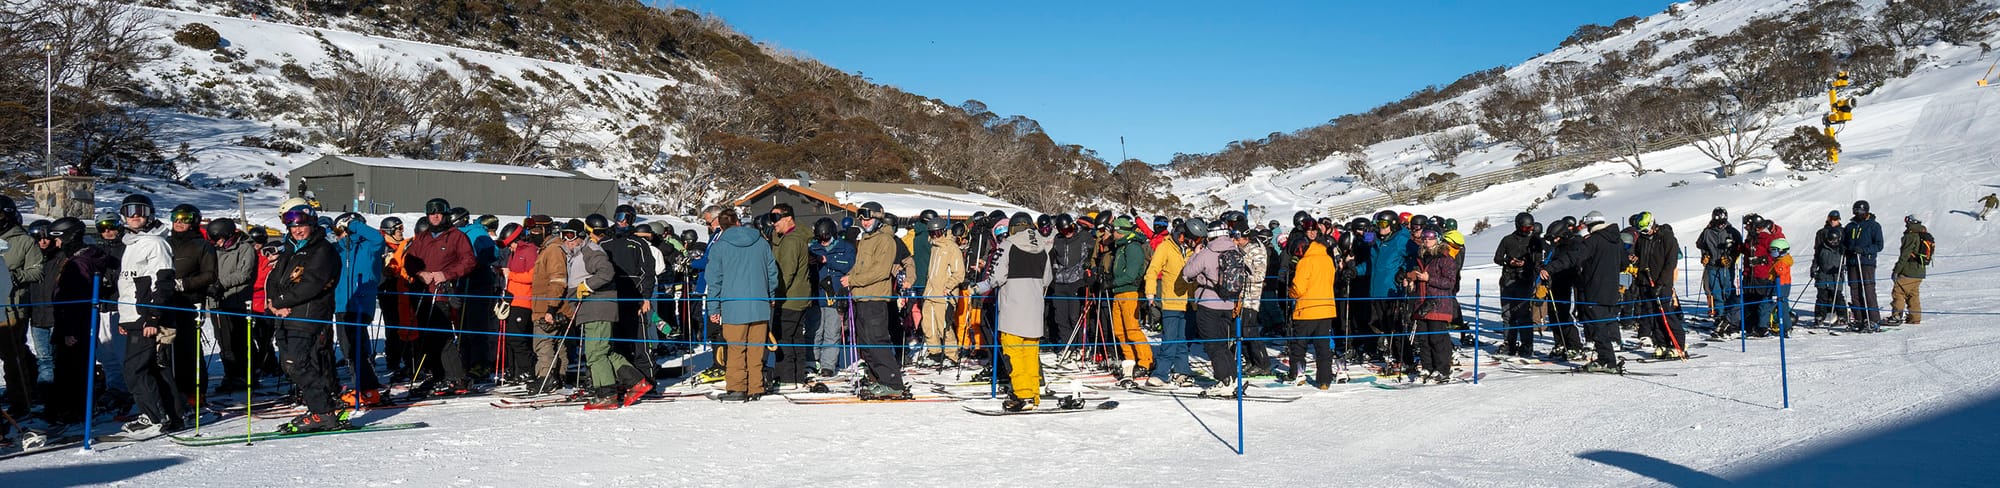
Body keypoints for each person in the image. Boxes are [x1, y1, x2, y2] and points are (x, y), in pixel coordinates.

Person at [266, 207, 347, 433]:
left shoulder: (322, 250)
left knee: (297, 363)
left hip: (309, 314)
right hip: (285, 316)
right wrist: (274, 302)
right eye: (292, 227)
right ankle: (322, 408)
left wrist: (281, 301)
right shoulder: (290, 249)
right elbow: (273, 279)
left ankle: (324, 412)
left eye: (301, 226)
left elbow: (312, 284)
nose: (297, 230)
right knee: (290, 365)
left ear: (312, 225)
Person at [554, 220, 649, 410]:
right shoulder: (578, 253)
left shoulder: (590, 250)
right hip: (590, 308)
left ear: (581, 235)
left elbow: (606, 271)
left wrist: (587, 285)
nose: (566, 240)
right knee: (605, 351)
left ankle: (606, 394)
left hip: (596, 307)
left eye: (570, 235)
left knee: (595, 353)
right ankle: (636, 382)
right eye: (563, 235)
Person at [112, 194, 186, 436]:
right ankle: (174, 416)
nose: (135, 215)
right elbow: (129, 285)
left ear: (150, 214)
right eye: (130, 210)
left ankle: (153, 417)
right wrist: (125, 318)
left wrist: (153, 317)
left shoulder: (155, 243)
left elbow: (163, 282)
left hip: (148, 317)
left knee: (135, 369)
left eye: (141, 211)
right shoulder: (131, 244)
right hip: (135, 316)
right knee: (156, 368)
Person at [30, 218, 111, 423]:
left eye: (58, 239)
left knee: (72, 369)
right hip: (72, 322)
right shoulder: (77, 258)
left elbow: (76, 299)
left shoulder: (79, 262)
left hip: (75, 325)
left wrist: (70, 330)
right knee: (68, 368)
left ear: (68, 237)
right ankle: (65, 408)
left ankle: (74, 411)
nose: (56, 244)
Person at [973, 212, 1053, 411]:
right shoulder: (1042, 248)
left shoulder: (1007, 245)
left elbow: (996, 278)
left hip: (1013, 309)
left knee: (1014, 353)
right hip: (1035, 309)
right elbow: (1047, 279)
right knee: (1030, 354)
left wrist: (977, 288)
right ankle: (1033, 394)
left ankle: (1022, 395)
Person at [404, 198, 476, 397]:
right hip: (422, 292)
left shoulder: (456, 236)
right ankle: (438, 375)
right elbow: (409, 260)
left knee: (442, 337)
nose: (435, 217)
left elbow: (469, 261)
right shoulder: (423, 237)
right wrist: (420, 273)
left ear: (445, 215)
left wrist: (447, 274)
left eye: (439, 213)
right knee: (426, 337)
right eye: (431, 213)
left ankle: (457, 378)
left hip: (442, 293)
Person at [1543, 211, 1627, 373]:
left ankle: (1607, 361)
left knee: (1597, 327)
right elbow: (1623, 263)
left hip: (1595, 289)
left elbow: (1572, 258)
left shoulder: (1593, 241)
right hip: (1612, 289)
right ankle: (1606, 358)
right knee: (1604, 325)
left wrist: (1550, 268)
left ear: (1591, 225)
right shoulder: (1617, 240)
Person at [843, 202, 911, 399]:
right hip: (861, 297)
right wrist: (848, 278)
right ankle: (878, 379)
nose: (864, 223)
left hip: (875, 297)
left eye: (868, 219)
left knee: (877, 341)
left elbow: (880, 271)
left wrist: (853, 280)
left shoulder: (885, 240)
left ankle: (893, 383)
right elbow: (860, 267)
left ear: (878, 218)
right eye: (862, 219)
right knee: (865, 343)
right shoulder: (866, 239)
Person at [330, 213, 386, 406]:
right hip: (341, 304)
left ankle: (367, 388)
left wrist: (353, 225)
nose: (338, 234)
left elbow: (378, 239)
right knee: (349, 347)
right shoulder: (339, 249)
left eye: (340, 230)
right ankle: (365, 386)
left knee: (355, 347)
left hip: (360, 302)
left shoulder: (368, 246)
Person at [1179, 218, 1240, 397]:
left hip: (1208, 303)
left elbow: (1187, 273)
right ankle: (1232, 378)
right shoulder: (1234, 250)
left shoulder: (1208, 252)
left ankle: (1224, 381)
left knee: (1213, 345)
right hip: (1228, 303)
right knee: (1223, 344)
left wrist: (1195, 254)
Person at [163, 204, 217, 398]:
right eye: (175, 218)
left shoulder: (202, 245)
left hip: (189, 302)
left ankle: (195, 393)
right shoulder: (165, 243)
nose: (179, 222)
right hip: (167, 300)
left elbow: (210, 274)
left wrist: (184, 284)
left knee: (189, 348)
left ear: (193, 221)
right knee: (167, 348)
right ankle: (172, 392)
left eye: (184, 218)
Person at [0, 196, 44, 418]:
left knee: (12, 356)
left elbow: (37, 271)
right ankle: (31, 381)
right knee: (11, 352)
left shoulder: (24, 241)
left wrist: (13, 276)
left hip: (13, 308)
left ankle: (21, 402)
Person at [1144, 215, 1198, 387]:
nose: (1184, 240)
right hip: (1171, 300)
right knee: (1169, 339)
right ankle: (1161, 373)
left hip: (1189, 302)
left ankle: (1182, 371)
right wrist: (1150, 292)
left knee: (1183, 340)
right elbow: (1153, 270)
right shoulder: (1165, 247)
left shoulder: (1191, 250)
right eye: (1182, 236)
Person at [207, 218, 259, 395]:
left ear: (229, 235)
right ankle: (231, 374)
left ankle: (245, 374)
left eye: (219, 239)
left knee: (239, 341)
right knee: (224, 341)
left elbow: (245, 273)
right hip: (217, 302)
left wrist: (221, 284)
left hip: (237, 301)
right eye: (214, 239)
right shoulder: (215, 250)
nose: (217, 242)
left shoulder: (245, 248)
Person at [1356, 210, 1413, 370]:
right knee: (1386, 327)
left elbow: (1415, 257)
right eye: (1378, 224)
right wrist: (1355, 270)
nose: (1380, 227)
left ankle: (1405, 359)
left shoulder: (1401, 240)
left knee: (1396, 326)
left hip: (1391, 290)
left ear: (1393, 225)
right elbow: (1372, 265)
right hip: (1376, 291)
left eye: (1383, 224)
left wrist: (1404, 271)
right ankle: (1395, 357)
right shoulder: (1378, 241)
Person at [1104, 216, 1156, 385]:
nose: (1112, 233)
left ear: (1120, 232)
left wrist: (1113, 282)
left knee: (1132, 329)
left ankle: (1146, 361)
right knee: (1120, 330)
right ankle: (1130, 361)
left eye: (1114, 230)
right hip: (1118, 292)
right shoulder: (1121, 246)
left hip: (1129, 292)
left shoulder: (1133, 247)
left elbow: (1132, 274)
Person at [1287, 218, 1338, 388]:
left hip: (1307, 309)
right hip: (1326, 308)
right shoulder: (1328, 259)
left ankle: (1296, 373)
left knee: (1299, 345)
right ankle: (1324, 380)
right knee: (1323, 347)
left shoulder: (1305, 261)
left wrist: (1291, 292)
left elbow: (1299, 287)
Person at [766, 204, 813, 388]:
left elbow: (786, 272)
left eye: (776, 218)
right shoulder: (791, 238)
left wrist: (774, 295)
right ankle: (796, 376)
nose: (773, 223)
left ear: (788, 218)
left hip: (789, 298)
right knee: (795, 338)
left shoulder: (791, 241)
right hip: (797, 296)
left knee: (784, 337)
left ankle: (787, 377)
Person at [1405, 226, 1459, 383]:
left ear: (1438, 239)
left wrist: (1429, 279)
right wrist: (1411, 279)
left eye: (1431, 236)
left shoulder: (1445, 258)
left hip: (1438, 303)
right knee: (1423, 339)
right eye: (1424, 237)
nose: (1427, 240)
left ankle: (1442, 369)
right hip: (1421, 302)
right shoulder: (1421, 256)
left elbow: (1450, 282)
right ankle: (1427, 367)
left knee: (1437, 339)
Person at [499, 216, 549, 385]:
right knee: (510, 338)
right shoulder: (514, 253)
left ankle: (527, 370)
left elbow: (533, 276)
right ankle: (515, 370)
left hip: (523, 300)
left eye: (511, 244)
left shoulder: (529, 251)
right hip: (512, 300)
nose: (510, 248)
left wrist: (511, 275)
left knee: (517, 338)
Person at [1629, 212, 1685, 357]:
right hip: (1645, 282)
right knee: (1652, 316)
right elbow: (1641, 257)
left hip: (1661, 283)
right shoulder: (1642, 239)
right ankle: (1662, 343)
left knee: (1666, 314)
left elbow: (1670, 263)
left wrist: (1661, 284)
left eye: (1645, 230)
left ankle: (1678, 345)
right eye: (1641, 231)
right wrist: (1635, 260)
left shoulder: (1666, 237)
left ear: (1652, 224)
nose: (1644, 233)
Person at [528, 217, 572, 394]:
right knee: (557, 344)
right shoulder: (547, 249)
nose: (532, 235)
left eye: (535, 231)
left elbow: (558, 280)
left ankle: (545, 377)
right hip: (547, 305)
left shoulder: (553, 250)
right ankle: (559, 376)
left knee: (543, 342)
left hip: (549, 307)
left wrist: (551, 308)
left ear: (546, 230)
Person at [807, 218, 853, 378]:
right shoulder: (813, 248)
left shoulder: (845, 247)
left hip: (835, 296)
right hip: (816, 296)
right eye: (820, 238)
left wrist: (828, 260)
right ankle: (812, 361)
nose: (823, 242)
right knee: (815, 331)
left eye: (826, 238)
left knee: (832, 332)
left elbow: (849, 264)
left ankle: (828, 365)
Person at [1493, 212, 1542, 358]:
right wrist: (1509, 261)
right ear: (1518, 226)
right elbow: (1497, 258)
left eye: (1531, 228)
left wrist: (1527, 264)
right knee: (1507, 314)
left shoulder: (1535, 241)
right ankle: (1509, 343)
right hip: (1508, 281)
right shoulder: (1507, 240)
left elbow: (1538, 262)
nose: (1529, 231)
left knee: (1524, 314)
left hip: (1525, 281)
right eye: (1526, 228)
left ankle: (1527, 345)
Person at [919, 215, 964, 367]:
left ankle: (952, 355)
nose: (934, 236)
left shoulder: (951, 248)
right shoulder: (934, 248)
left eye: (937, 233)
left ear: (943, 231)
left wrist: (949, 286)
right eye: (932, 233)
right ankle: (935, 353)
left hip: (944, 294)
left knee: (944, 326)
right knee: (928, 325)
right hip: (930, 292)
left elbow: (959, 273)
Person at [1697, 207, 1743, 328]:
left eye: (1722, 222)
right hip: (1712, 266)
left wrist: (1730, 258)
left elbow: (1739, 248)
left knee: (1728, 291)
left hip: (1726, 267)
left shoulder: (1732, 232)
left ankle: (1731, 316)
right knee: (1716, 292)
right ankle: (1720, 315)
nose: (1720, 225)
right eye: (1717, 223)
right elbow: (1700, 244)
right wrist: (1705, 255)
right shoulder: (1707, 231)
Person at [1843, 200, 1885, 332]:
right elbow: (1845, 242)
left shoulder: (1873, 226)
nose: (1858, 213)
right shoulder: (1850, 226)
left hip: (1866, 262)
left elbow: (1879, 245)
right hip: (1852, 262)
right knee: (1854, 291)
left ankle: (1873, 319)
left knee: (1868, 290)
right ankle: (1859, 318)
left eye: (1860, 211)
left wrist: (1864, 250)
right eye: (1856, 210)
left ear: (1866, 211)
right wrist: (1845, 248)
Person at [1888, 215, 1930, 326]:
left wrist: (1896, 270)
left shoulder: (1911, 236)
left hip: (1909, 271)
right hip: (1920, 271)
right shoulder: (1923, 234)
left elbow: (1905, 255)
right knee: (1913, 294)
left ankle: (1896, 316)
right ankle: (1915, 317)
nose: (1906, 224)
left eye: (1907, 221)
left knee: (1898, 292)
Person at [1810, 211, 1848, 328]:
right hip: (1823, 274)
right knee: (1822, 296)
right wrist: (1814, 268)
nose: (1833, 221)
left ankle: (1842, 316)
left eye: (1835, 219)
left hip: (1835, 274)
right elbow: (1817, 256)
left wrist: (1844, 266)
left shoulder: (1841, 246)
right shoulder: (1822, 244)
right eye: (1831, 218)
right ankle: (1819, 317)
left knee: (1837, 296)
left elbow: (1847, 255)